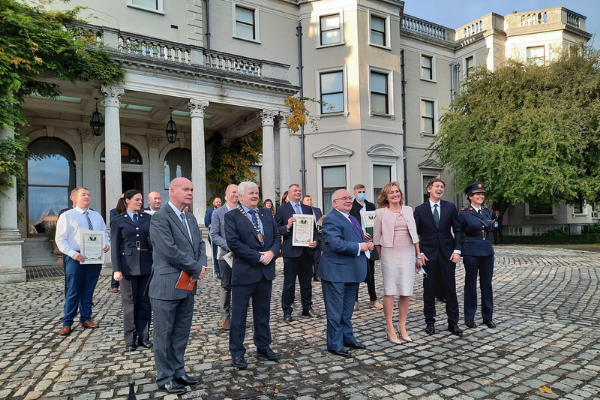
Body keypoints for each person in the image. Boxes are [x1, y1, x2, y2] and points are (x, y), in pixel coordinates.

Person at [148, 177, 207, 394]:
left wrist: (201, 265)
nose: (190, 193)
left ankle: (178, 371)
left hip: (187, 285)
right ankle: (165, 377)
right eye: (186, 189)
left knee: (181, 332)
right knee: (163, 335)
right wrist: (195, 268)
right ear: (172, 191)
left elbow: (200, 244)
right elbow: (169, 250)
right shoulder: (160, 218)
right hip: (166, 286)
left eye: (192, 189)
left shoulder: (190, 218)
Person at [224, 181, 282, 369]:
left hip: (265, 273)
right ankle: (237, 352)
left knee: (263, 314)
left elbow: (275, 237)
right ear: (240, 197)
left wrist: (272, 253)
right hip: (245, 273)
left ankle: (263, 346)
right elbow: (233, 243)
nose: (255, 196)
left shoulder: (265, 213)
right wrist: (257, 257)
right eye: (251, 193)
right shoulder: (231, 216)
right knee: (239, 316)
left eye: (257, 193)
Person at [317, 189, 371, 357]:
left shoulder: (353, 218)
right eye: (344, 198)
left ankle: (348, 338)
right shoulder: (331, 219)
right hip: (335, 271)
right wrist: (360, 247)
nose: (348, 200)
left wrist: (365, 242)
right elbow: (335, 243)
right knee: (335, 311)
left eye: (349, 197)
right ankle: (335, 344)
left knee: (347, 310)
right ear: (335, 203)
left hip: (351, 271)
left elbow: (354, 239)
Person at [373, 182, 424, 344]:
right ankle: (389, 327)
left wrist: (418, 255)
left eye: (397, 191)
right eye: (391, 193)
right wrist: (384, 257)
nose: (395, 194)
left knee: (406, 290)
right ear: (385, 197)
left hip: (408, 254)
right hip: (389, 254)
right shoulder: (380, 213)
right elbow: (376, 239)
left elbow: (415, 235)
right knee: (389, 291)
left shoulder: (408, 210)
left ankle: (402, 326)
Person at [55, 187, 110, 336]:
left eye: (89, 194)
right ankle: (67, 322)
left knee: (88, 289)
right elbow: (60, 239)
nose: (87, 196)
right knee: (73, 290)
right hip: (76, 257)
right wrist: (73, 254)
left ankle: (85, 318)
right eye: (83, 194)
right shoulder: (67, 216)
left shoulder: (96, 215)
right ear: (74, 198)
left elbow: (104, 234)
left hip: (94, 257)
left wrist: (106, 244)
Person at [413, 178, 463, 337]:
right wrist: (419, 253)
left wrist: (457, 250)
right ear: (429, 189)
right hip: (428, 256)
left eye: (442, 186)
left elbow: (458, 230)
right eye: (437, 186)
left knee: (450, 289)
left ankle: (453, 323)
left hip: (448, 255)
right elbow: (414, 234)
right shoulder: (420, 210)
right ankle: (430, 322)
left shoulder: (450, 207)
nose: (440, 189)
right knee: (429, 290)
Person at [111, 189, 153, 351]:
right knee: (129, 305)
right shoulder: (118, 220)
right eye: (136, 199)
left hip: (146, 265)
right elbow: (115, 246)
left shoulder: (147, 218)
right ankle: (130, 339)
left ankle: (144, 337)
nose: (139, 202)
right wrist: (116, 269)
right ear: (127, 201)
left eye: (141, 200)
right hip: (127, 267)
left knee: (145, 303)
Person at [275, 184, 320, 322]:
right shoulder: (282, 209)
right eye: (295, 190)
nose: (298, 192)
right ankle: (287, 310)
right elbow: (275, 230)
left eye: (300, 190)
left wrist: (315, 241)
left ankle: (307, 307)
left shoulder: (308, 208)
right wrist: (287, 226)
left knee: (306, 282)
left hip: (306, 252)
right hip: (291, 251)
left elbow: (314, 230)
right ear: (289, 194)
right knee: (289, 283)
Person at [458, 182, 496, 329]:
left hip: (487, 251)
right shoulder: (464, 213)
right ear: (470, 196)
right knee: (471, 285)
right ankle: (469, 317)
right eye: (477, 194)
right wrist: (459, 250)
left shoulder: (486, 211)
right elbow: (459, 233)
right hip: (471, 251)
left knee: (487, 284)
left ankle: (488, 317)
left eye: (482, 194)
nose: (481, 196)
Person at [350, 184, 383, 310]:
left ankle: (373, 299)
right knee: (356, 273)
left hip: (370, 242)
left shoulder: (370, 206)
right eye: (359, 191)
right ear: (355, 193)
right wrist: (360, 232)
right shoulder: (351, 207)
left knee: (371, 272)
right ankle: (354, 301)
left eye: (363, 191)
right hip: (358, 242)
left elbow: (376, 221)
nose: (362, 193)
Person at [210, 185, 239, 330]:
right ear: (226, 195)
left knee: (241, 286)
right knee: (226, 286)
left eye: (238, 192)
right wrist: (231, 246)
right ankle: (225, 317)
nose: (236, 195)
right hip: (225, 256)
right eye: (233, 192)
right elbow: (214, 234)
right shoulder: (218, 213)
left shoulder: (243, 211)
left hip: (243, 256)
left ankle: (239, 317)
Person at [57, 188, 78, 298]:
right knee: (71, 277)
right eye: (80, 195)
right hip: (70, 251)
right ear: (72, 198)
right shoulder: (64, 213)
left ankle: (85, 299)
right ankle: (70, 299)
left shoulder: (91, 213)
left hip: (87, 249)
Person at [302, 195, 323, 281]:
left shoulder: (317, 210)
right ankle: (308, 273)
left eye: (310, 200)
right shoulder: (302, 210)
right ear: (303, 202)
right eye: (307, 200)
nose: (309, 201)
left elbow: (321, 220)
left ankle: (317, 274)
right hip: (307, 235)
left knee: (318, 255)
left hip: (318, 235)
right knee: (308, 256)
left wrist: (322, 228)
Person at [109, 193, 125, 294]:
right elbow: (113, 224)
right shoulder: (114, 212)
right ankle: (114, 284)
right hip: (119, 240)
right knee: (116, 262)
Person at [205, 196, 223, 279]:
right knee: (215, 254)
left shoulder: (223, 211)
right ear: (213, 203)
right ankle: (218, 271)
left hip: (223, 237)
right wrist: (215, 227)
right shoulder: (209, 211)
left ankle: (224, 271)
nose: (218, 203)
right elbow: (207, 223)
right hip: (214, 237)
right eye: (217, 202)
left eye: (219, 202)